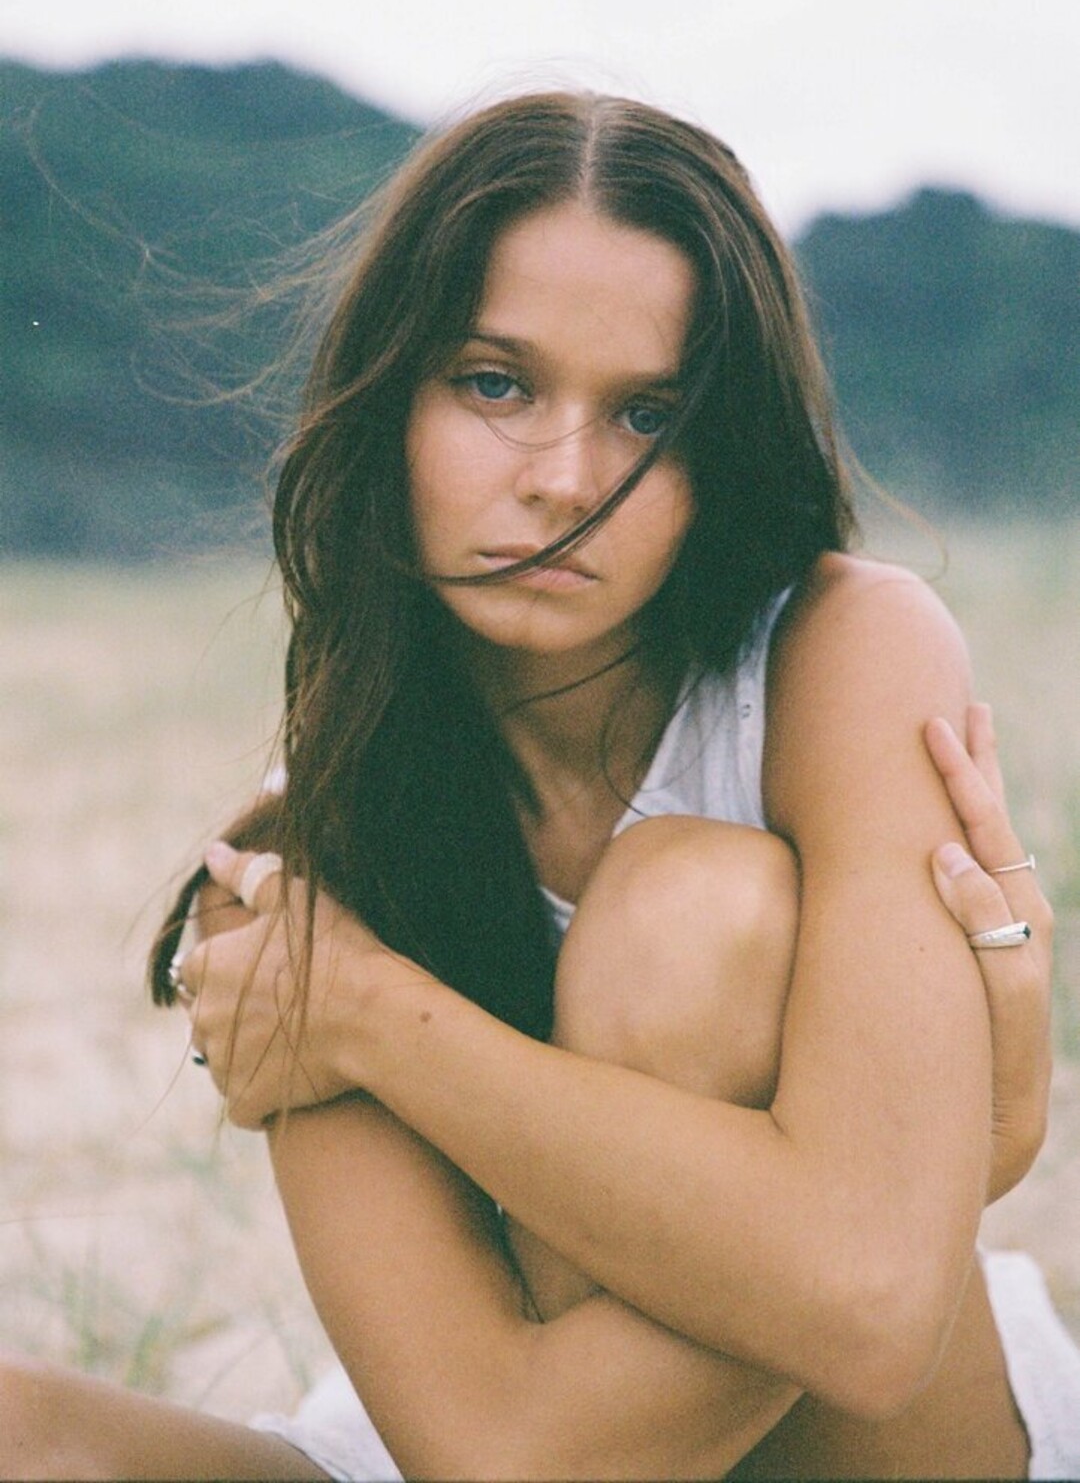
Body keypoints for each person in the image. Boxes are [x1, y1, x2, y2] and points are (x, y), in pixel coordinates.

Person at [2, 91, 1076, 1481]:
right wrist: (955, 1153)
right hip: (512, 1440)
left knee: (690, 907)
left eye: (647, 413)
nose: (565, 481)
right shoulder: (305, 860)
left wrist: (376, 1017)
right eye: (495, 384)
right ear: (390, 398)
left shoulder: (841, 657)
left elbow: (875, 1318)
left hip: (889, 1453)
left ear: (720, 451)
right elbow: (500, 1454)